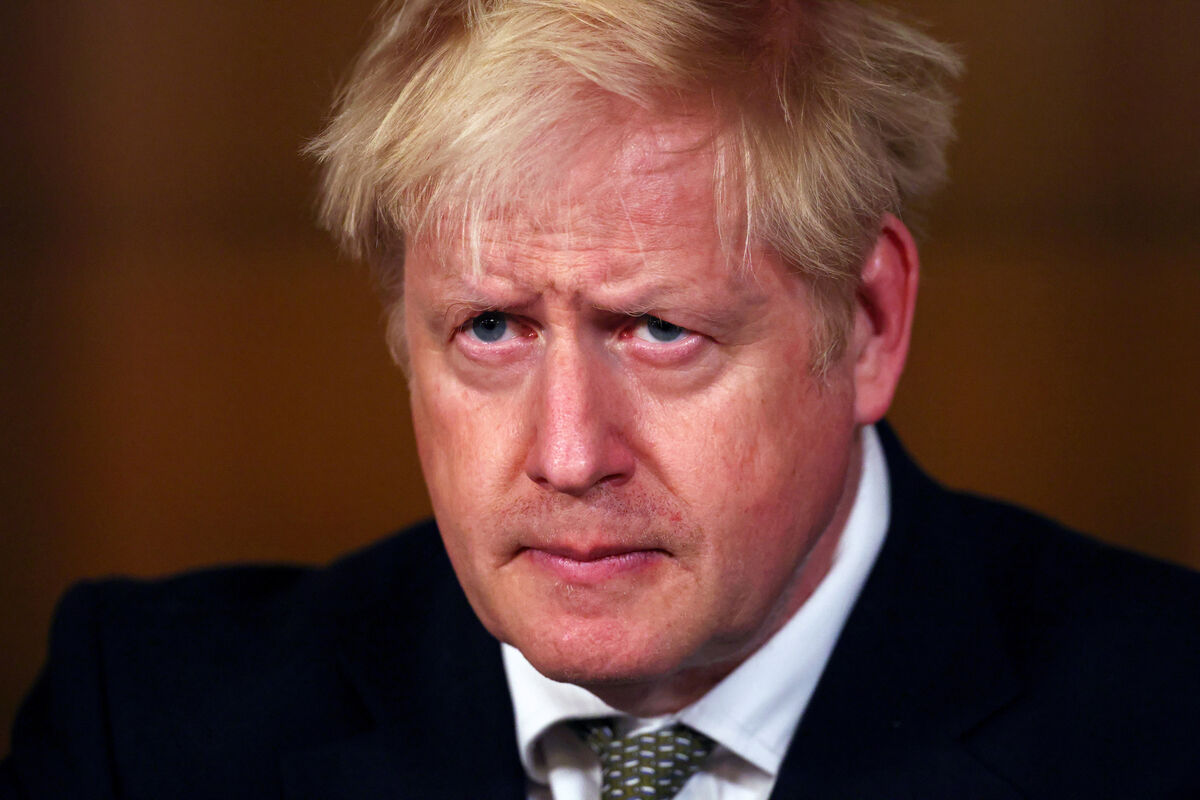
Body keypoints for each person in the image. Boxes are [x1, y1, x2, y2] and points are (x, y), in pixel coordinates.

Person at [4, 1, 1199, 798]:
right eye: (490, 327)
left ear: (870, 321)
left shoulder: (1169, 720)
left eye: (661, 329)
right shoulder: (147, 730)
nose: (570, 456)